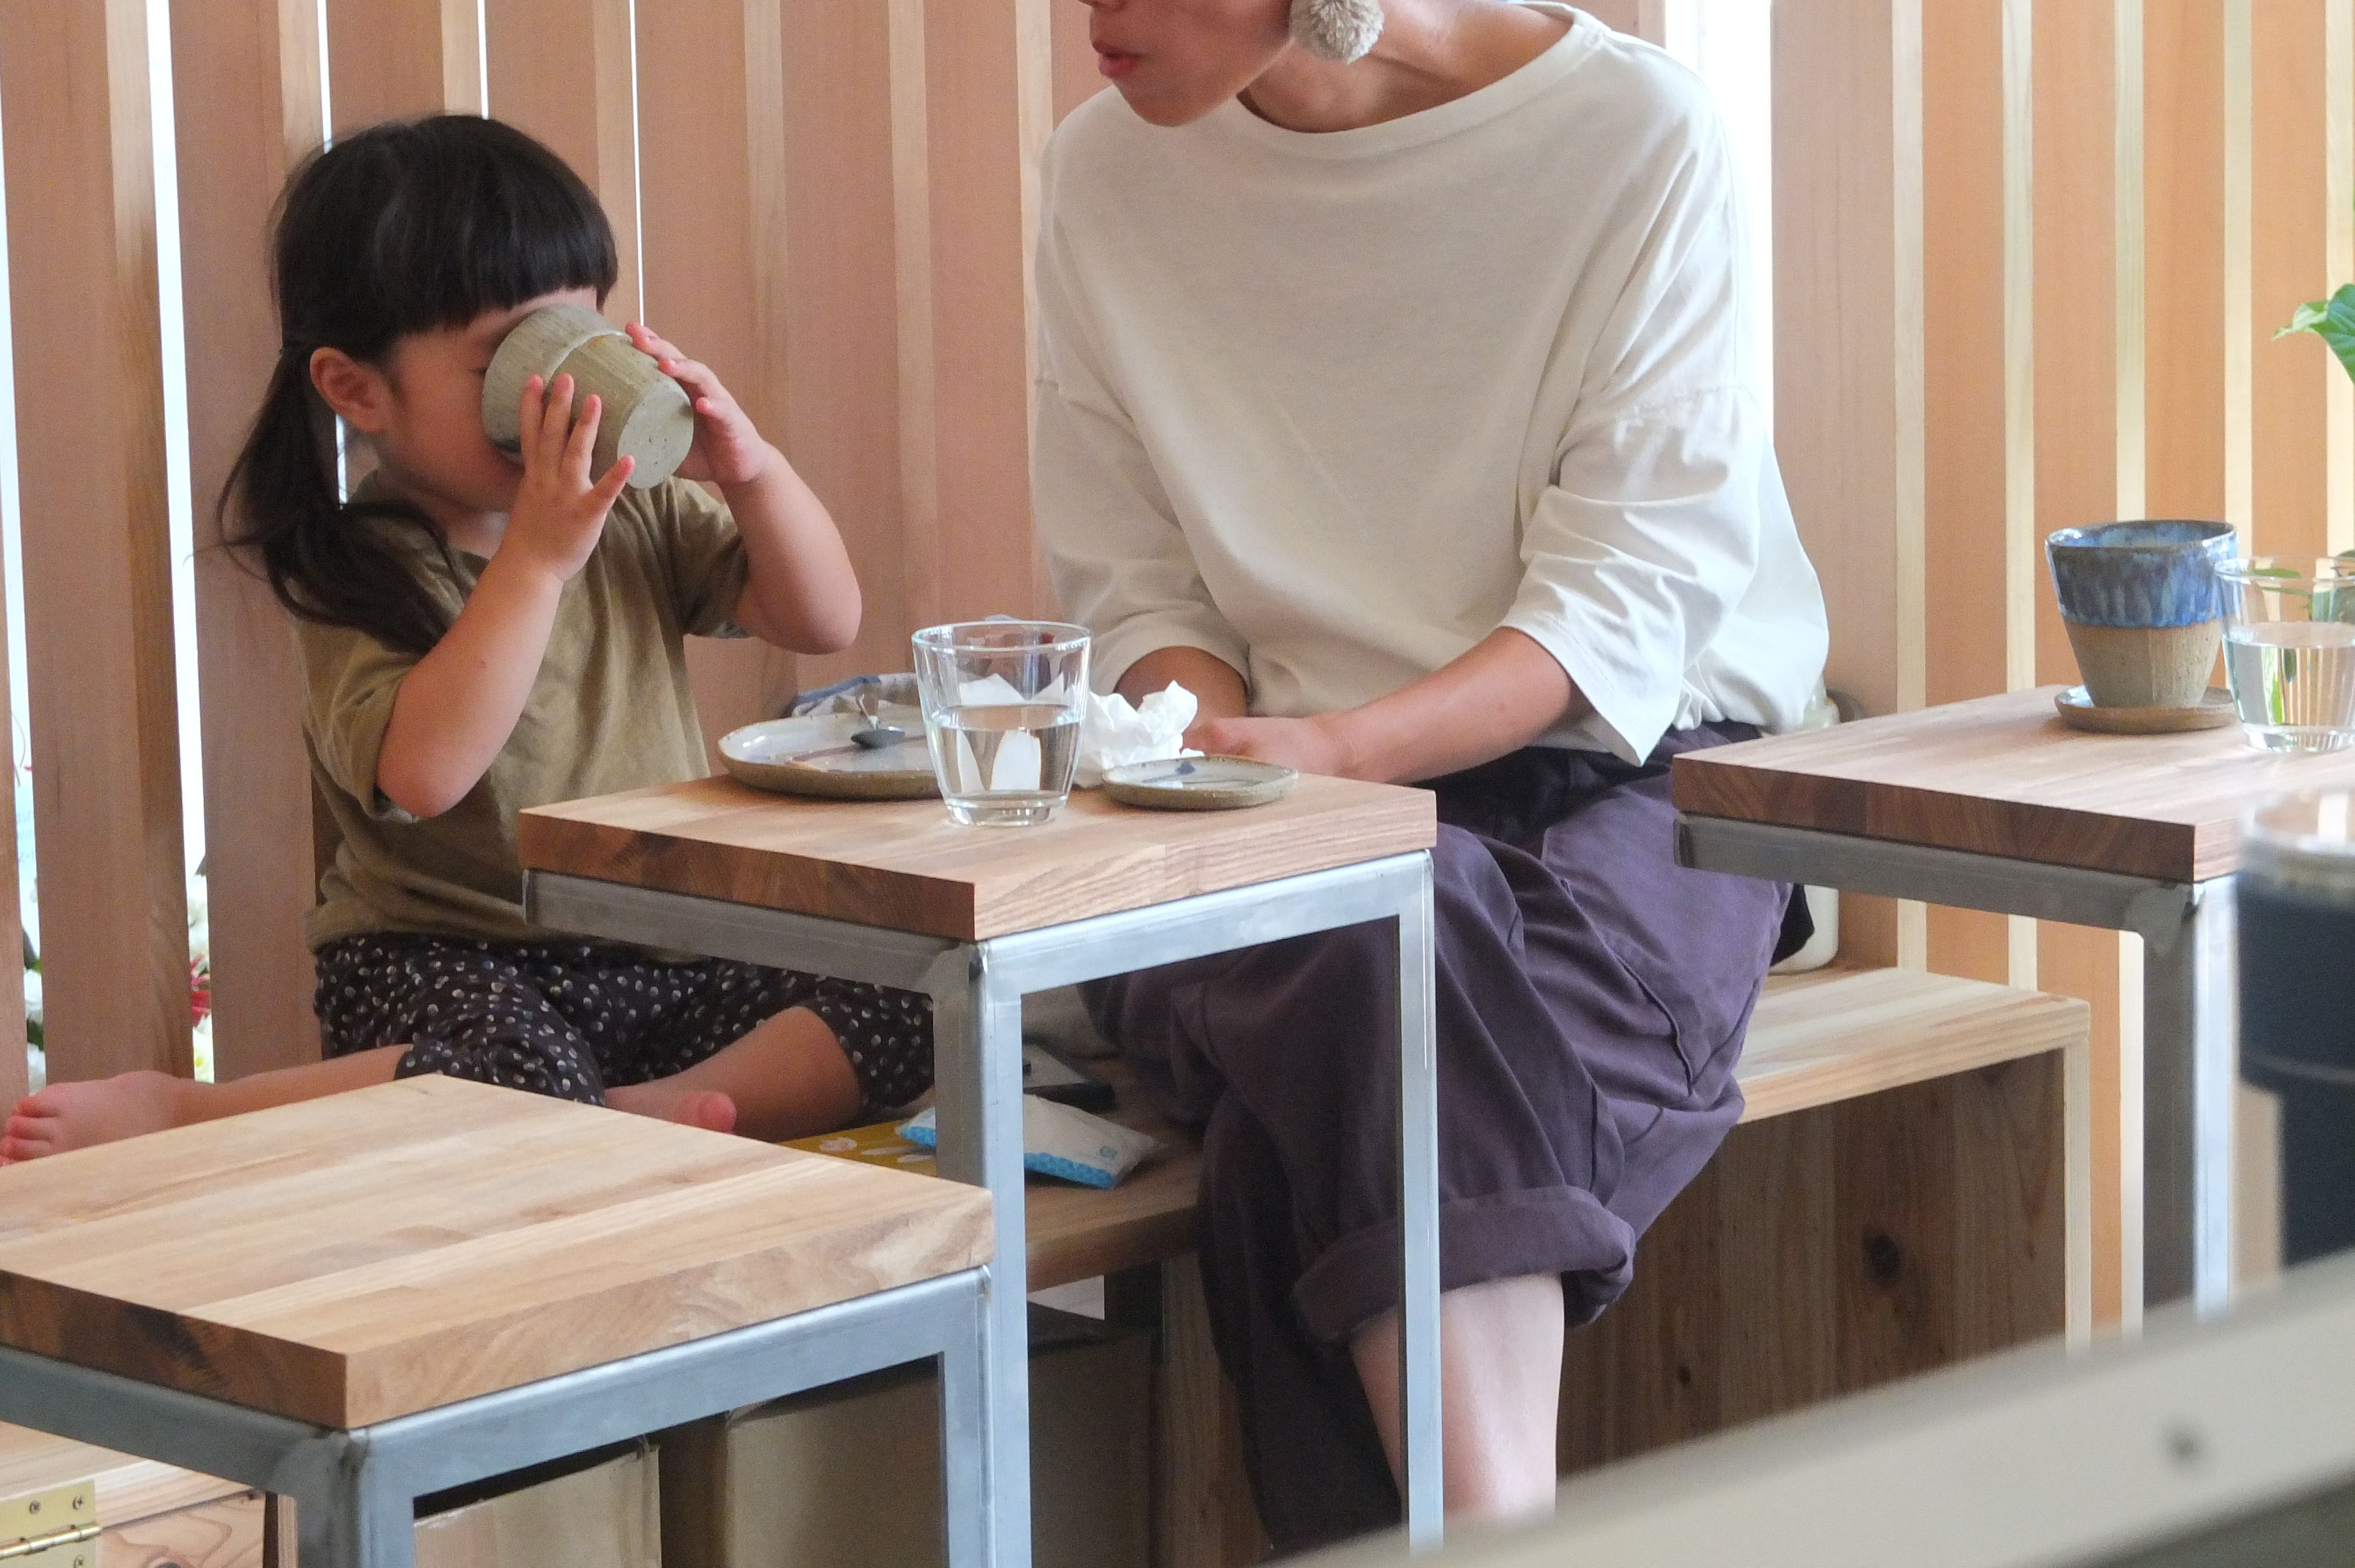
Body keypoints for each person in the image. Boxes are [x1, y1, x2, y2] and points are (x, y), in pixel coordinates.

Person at [1036, 0, 1829, 1550]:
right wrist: (1233, 768)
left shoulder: (1635, 136)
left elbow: (1624, 602)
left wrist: (1337, 760)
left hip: (1637, 773)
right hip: (1279, 793)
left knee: (1312, 1116)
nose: (1091, 15)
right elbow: (1138, 590)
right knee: (1377, 949)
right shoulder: (1099, 174)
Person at [1, 115, 930, 1162]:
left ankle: (638, 1113)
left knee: (918, 988)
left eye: (583, 337)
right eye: (511, 363)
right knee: (504, 1066)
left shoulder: (632, 507)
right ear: (357, 389)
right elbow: (426, 774)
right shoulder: (364, 563)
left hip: (668, 952)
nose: (566, 390)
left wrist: (752, 471)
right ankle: (192, 1113)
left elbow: (821, 618)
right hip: (446, 963)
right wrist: (535, 560)